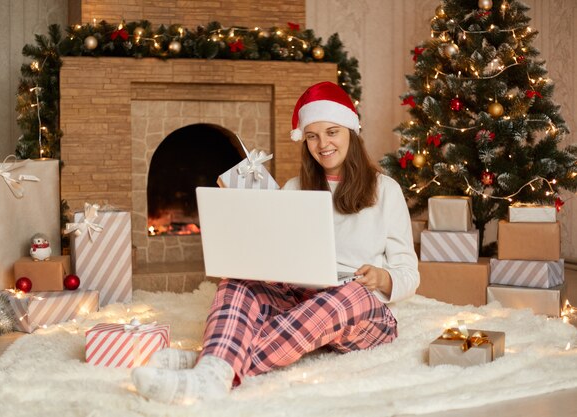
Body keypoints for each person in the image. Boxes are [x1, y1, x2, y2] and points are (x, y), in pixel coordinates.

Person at [132, 81, 420, 405]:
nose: (322, 143)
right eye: (312, 135)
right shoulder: (296, 188)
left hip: (362, 311)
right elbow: (276, 253)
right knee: (236, 283)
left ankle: (212, 362)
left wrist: (384, 278)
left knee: (351, 294)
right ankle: (212, 373)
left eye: (332, 132)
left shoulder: (386, 190)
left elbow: (409, 272)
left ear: (351, 132)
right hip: (300, 302)